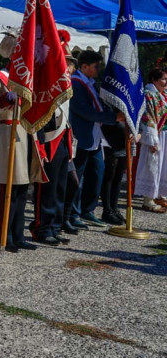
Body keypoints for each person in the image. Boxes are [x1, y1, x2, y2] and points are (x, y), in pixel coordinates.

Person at [0, 67, 37, 251]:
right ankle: (3, 235)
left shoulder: (29, 78)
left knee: (21, 191)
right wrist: (5, 99)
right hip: (7, 135)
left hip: (25, 134)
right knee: (7, 191)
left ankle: (18, 234)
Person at [69, 50, 123, 229]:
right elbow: (84, 111)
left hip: (95, 137)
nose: (98, 69)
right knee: (78, 177)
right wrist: (113, 118)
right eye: (95, 66)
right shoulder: (76, 84)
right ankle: (73, 213)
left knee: (97, 173)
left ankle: (88, 210)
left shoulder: (90, 83)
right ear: (84, 66)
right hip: (82, 136)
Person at [31, 31, 76, 246]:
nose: (66, 67)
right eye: (63, 62)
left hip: (63, 139)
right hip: (49, 138)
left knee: (60, 186)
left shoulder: (66, 84)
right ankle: (41, 227)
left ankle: (55, 226)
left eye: (68, 63)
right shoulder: (45, 82)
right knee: (46, 189)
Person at [135, 67, 167, 212]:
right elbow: (147, 118)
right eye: (164, 79)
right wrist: (153, 140)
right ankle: (148, 200)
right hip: (155, 135)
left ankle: (159, 194)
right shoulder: (149, 94)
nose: (166, 82)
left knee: (163, 166)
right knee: (152, 165)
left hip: (165, 135)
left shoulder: (163, 94)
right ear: (154, 80)